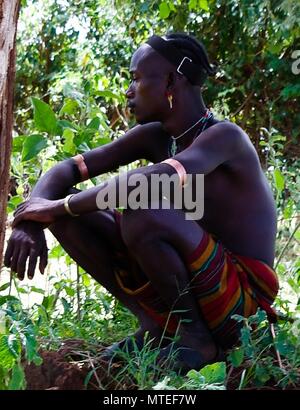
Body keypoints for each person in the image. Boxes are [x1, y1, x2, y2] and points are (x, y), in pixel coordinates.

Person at [4, 33, 279, 373]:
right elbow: (67, 169)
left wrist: (54, 207)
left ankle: (197, 341)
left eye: (135, 78)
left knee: (140, 207)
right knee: (72, 217)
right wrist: (33, 219)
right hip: (198, 286)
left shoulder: (225, 137)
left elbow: (146, 182)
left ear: (169, 80)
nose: (128, 91)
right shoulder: (157, 137)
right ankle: (154, 325)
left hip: (239, 303)